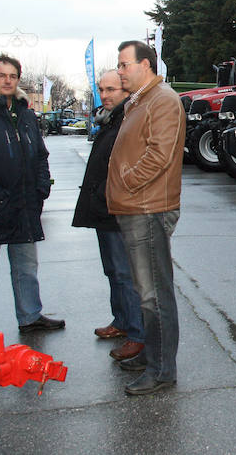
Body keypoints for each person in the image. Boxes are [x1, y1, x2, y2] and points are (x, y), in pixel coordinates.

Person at [0, 54, 64, 333]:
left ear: (18, 79)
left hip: (25, 206)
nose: (7, 81)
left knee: (26, 268)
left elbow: (40, 155)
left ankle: (30, 316)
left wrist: (42, 187)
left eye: (12, 76)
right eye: (1, 75)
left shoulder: (26, 114)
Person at [107, 40, 185, 396]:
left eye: (124, 64)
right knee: (146, 293)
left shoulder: (163, 99)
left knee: (155, 295)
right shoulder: (141, 100)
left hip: (147, 209)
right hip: (136, 207)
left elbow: (161, 155)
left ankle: (161, 370)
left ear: (146, 65)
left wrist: (127, 182)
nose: (119, 71)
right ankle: (153, 356)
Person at [72, 71, 144, 362]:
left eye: (111, 89)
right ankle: (122, 321)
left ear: (125, 90)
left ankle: (138, 335)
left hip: (119, 210)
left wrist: (106, 192)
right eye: (102, 89)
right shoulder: (111, 119)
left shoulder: (130, 120)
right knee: (113, 271)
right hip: (105, 209)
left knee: (126, 274)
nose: (105, 94)